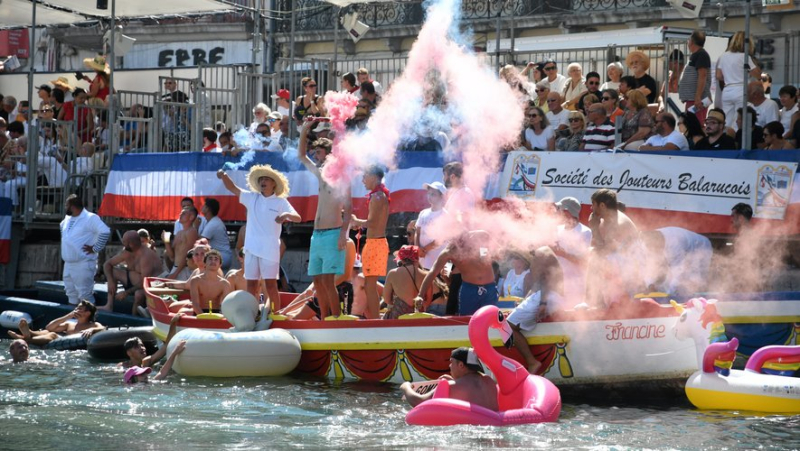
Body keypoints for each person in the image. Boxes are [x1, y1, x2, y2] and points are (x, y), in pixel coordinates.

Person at [217, 164, 300, 309]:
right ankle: (251, 313)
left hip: (270, 251)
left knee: (271, 285)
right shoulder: (251, 197)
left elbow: (297, 217)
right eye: (261, 179)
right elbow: (233, 188)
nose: (263, 181)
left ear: (274, 183)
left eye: (267, 179)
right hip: (251, 249)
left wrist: (286, 215)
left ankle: (275, 314)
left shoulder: (281, 201)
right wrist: (223, 176)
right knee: (251, 285)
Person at [298, 120, 352, 319]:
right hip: (317, 235)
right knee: (318, 281)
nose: (316, 156)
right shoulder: (321, 175)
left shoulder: (341, 178)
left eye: (319, 153)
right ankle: (324, 318)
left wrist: (342, 235)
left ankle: (335, 320)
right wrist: (305, 129)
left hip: (332, 233)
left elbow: (349, 209)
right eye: (316, 153)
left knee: (328, 281)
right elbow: (301, 155)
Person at [415, 230, 498, 316]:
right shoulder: (449, 252)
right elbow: (434, 273)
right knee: (467, 320)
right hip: (468, 289)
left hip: (489, 287)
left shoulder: (480, 237)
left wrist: (483, 251)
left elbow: (492, 255)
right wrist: (420, 295)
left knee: (491, 318)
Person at [585, 189, 643, 307]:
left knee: (595, 260)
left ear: (602, 205)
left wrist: (594, 228)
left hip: (633, 271)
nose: (591, 208)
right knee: (593, 255)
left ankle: (594, 304)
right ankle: (595, 302)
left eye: (593, 204)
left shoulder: (618, 224)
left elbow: (604, 251)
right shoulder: (608, 219)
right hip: (623, 265)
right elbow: (599, 247)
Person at [399, 347, 498, 411]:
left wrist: (406, 387)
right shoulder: (489, 382)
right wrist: (453, 380)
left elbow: (418, 402)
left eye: (451, 362)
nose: (450, 366)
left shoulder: (450, 387)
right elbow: (471, 389)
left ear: (461, 365)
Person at [350, 165, 390, 319]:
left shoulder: (377, 196)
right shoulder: (380, 195)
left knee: (370, 286)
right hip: (376, 243)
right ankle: (373, 319)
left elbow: (372, 223)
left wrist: (356, 220)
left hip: (375, 244)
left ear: (373, 177)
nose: (362, 180)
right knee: (369, 285)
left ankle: (375, 321)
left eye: (365, 176)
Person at [60, 194, 110, 306]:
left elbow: (105, 231)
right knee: (71, 293)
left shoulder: (90, 218)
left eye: (66, 205)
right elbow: (63, 232)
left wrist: (95, 248)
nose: (65, 207)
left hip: (83, 263)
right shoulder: (67, 219)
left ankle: (90, 321)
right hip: (68, 264)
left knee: (85, 295)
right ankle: (72, 320)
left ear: (72, 206)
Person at [102, 230, 163, 314]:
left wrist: (126, 293)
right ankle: (109, 305)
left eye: (124, 242)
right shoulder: (127, 252)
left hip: (151, 284)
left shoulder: (146, 256)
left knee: (138, 295)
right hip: (136, 280)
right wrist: (111, 280)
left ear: (131, 243)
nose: (123, 244)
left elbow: (145, 281)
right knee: (112, 272)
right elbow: (107, 264)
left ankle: (135, 318)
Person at [641, 227, 712, 297]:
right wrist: (650, 284)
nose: (654, 250)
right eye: (651, 247)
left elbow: (678, 271)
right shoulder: (648, 241)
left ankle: (699, 301)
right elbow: (651, 264)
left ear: (659, 241)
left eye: (655, 247)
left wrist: (669, 294)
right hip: (684, 248)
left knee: (695, 279)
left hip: (700, 247)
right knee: (671, 283)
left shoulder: (675, 243)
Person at [383, 245, 445, 319]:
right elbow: (427, 302)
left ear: (401, 259)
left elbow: (386, 299)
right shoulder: (426, 275)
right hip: (418, 316)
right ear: (417, 259)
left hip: (399, 316)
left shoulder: (393, 273)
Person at [7, 300, 104, 346]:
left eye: (80, 308)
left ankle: (26, 339)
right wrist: (68, 316)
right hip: (62, 340)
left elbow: (103, 329)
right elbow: (49, 327)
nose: (76, 310)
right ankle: (29, 332)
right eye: (76, 307)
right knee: (46, 331)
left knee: (53, 335)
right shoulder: (70, 324)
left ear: (87, 313)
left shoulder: (92, 325)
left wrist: (92, 329)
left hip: (72, 344)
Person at [552, 196, 591, 306]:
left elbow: (583, 261)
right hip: (557, 284)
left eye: (562, 209)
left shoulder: (585, 232)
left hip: (575, 285)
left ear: (569, 211)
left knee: (573, 316)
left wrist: (563, 254)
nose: (558, 212)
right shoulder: (557, 229)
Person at [716, 32, 759, 129]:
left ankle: (727, 140)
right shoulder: (745, 57)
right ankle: (738, 140)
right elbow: (757, 74)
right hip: (741, 89)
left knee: (727, 120)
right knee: (740, 118)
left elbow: (719, 76)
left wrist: (729, 77)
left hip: (727, 89)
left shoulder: (724, 56)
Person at [185, 249, 233, 315]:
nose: (213, 261)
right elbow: (195, 304)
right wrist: (204, 318)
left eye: (216, 259)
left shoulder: (225, 284)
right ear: (204, 263)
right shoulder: (195, 280)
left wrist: (220, 317)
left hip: (216, 314)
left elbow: (226, 306)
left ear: (220, 265)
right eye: (210, 259)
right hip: (199, 314)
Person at [679, 30, 712, 123]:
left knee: (696, 124)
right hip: (693, 100)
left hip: (698, 100)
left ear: (691, 41)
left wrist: (698, 97)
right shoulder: (696, 55)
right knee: (690, 124)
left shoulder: (701, 54)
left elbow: (703, 75)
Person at [415, 181, 448, 270]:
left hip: (438, 263)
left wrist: (424, 250)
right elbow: (417, 232)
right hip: (423, 260)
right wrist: (418, 249)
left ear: (442, 196)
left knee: (439, 283)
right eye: (429, 193)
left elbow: (441, 239)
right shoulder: (423, 213)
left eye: (433, 194)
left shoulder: (446, 216)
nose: (429, 196)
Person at [162, 206, 199, 281]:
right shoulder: (179, 233)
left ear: (191, 217)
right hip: (176, 268)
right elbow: (172, 256)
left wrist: (175, 274)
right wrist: (166, 241)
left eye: (184, 213)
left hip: (185, 270)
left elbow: (188, 255)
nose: (180, 215)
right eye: (180, 213)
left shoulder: (192, 231)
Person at [200, 198, 233, 271]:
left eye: (204, 205)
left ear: (207, 209)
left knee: (197, 257)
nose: (201, 207)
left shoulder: (213, 224)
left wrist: (194, 227)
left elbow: (201, 243)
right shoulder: (209, 220)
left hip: (222, 256)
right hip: (217, 255)